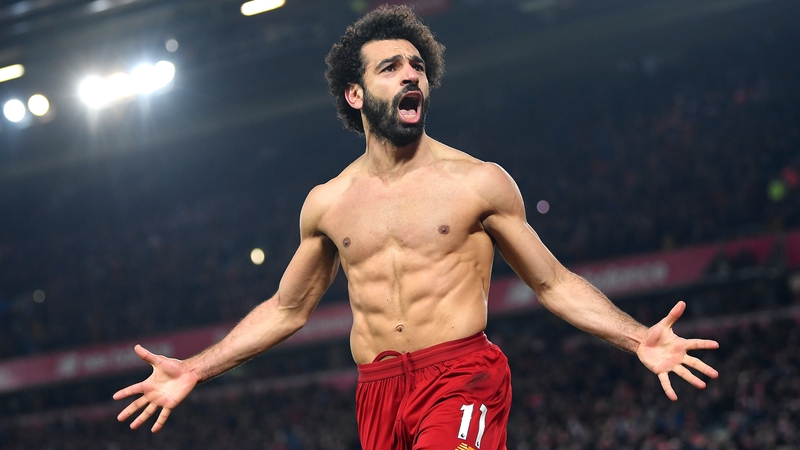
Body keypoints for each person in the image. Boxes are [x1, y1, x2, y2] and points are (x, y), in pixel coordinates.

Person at [114, 5, 719, 448]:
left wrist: (637, 337)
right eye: (390, 67)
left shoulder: (478, 182)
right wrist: (196, 366)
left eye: (417, 66)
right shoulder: (327, 203)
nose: (412, 75)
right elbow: (286, 309)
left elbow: (552, 283)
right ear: (355, 95)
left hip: (461, 375)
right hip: (376, 391)